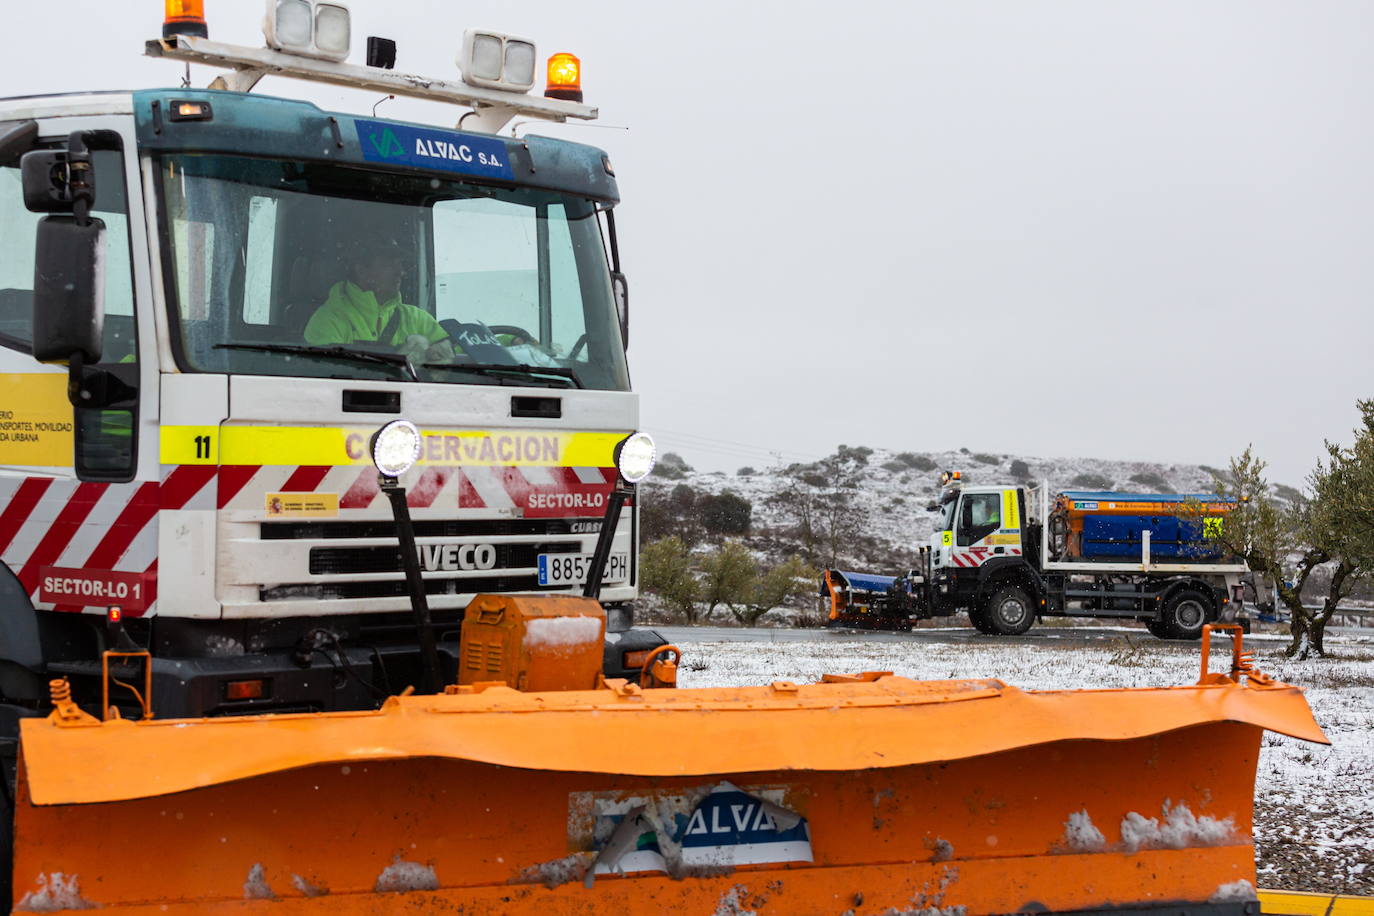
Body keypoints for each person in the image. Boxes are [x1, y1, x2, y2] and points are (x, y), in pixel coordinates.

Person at [303, 244, 454, 364]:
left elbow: (462, 357)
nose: (400, 272)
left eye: (400, 264)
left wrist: (444, 353)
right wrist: (398, 363)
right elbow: (327, 377)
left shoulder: (418, 318)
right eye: (389, 264)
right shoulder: (326, 320)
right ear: (361, 270)